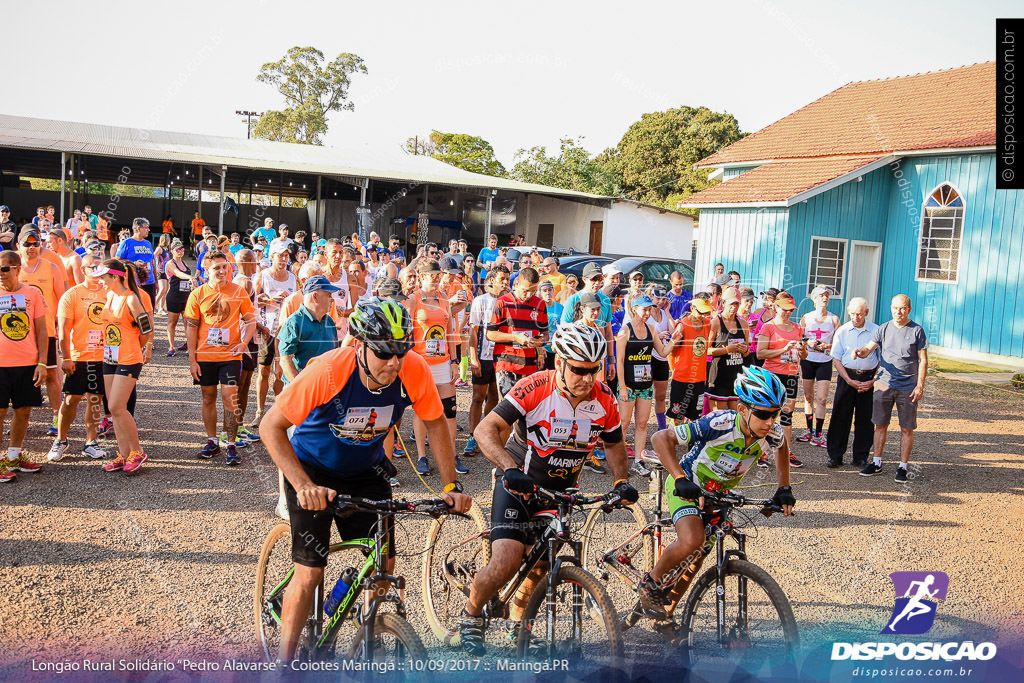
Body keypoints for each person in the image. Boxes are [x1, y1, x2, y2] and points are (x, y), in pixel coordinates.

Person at [259, 297, 472, 662]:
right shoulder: (327, 371)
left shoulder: (413, 368)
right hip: (312, 470)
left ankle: (372, 633)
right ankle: (282, 666)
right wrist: (302, 485)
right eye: (384, 353)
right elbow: (270, 427)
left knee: (383, 567)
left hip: (366, 472)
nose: (393, 362)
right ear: (359, 345)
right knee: (310, 575)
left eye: (401, 352)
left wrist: (450, 486)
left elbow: (436, 422)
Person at [457, 323, 638, 655]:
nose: (588, 379)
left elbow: (614, 445)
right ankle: (470, 616)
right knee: (507, 560)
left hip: (561, 491)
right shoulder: (535, 387)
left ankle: (517, 623)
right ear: (560, 364)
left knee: (542, 562)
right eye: (580, 370)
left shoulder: (604, 398)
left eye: (594, 370)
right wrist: (510, 469)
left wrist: (619, 482)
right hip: (519, 482)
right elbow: (486, 430)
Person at [644, 367, 794, 619]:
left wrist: (784, 488)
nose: (770, 422)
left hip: (719, 496)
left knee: (696, 560)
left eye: (775, 415)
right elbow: (660, 438)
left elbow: (782, 448)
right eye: (763, 414)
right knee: (692, 540)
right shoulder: (718, 423)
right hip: (688, 484)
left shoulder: (770, 432)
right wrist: (680, 478)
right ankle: (650, 584)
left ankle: (666, 615)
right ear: (743, 410)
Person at [184, 252, 258, 465]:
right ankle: (212, 442)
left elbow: (251, 320)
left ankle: (231, 444)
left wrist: (243, 344)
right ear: (207, 270)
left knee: (229, 396)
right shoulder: (198, 294)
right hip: (205, 355)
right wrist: (192, 360)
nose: (223, 270)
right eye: (217, 267)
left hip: (230, 356)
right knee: (208, 397)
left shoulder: (238, 291)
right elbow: (191, 328)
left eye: (225, 266)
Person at [854, 294, 928, 483]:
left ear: (909, 309)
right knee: (880, 425)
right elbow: (868, 349)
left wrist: (920, 385)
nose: (898, 311)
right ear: (891, 308)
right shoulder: (884, 328)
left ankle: (903, 466)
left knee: (906, 428)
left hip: (908, 386)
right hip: (884, 383)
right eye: (895, 308)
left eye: (902, 308)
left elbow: (923, 360)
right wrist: (859, 353)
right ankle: (877, 462)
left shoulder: (917, 331)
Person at [406, 259, 465, 476]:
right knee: (422, 410)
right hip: (421, 362)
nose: (436, 279)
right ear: (421, 277)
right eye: (432, 275)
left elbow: (450, 331)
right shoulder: (413, 300)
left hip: (443, 361)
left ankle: (451, 454)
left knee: (449, 409)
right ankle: (422, 456)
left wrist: (455, 361)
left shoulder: (443, 299)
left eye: (438, 275)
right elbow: (406, 331)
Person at [93, 260, 152, 474]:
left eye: (103, 277)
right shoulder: (109, 296)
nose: (100, 280)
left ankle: (137, 451)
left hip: (128, 358)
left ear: (116, 276)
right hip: (110, 357)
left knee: (118, 406)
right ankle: (124, 453)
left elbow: (147, 329)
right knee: (113, 408)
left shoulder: (132, 299)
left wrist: (136, 348)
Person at [50, 253, 108, 462]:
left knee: (95, 400)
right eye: (93, 267)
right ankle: (61, 439)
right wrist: (66, 357)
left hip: (103, 357)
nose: (97, 271)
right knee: (71, 400)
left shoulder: (110, 293)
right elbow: (64, 330)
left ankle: (90, 442)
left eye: (101, 267)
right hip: (79, 356)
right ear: (83, 270)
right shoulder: (72, 295)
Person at [0, 250, 47, 482]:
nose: (0, 274)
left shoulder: (32, 294)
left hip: (27, 363)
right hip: (0, 364)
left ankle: (13, 456)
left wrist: (42, 363)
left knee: (23, 410)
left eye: (4, 269)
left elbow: (42, 330)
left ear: (17, 268)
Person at [18, 227, 67, 436]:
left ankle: (58, 416)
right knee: (20, 377)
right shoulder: (11, 269)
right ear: (18, 246)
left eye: (35, 244)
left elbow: (63, 300)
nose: (31, 248)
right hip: (17, 334)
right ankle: (21, 419)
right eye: (27, 244)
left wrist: (59, 326)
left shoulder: (51, 267)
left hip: (44, 331)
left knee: (51, 377)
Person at [615, 295, 671, 471]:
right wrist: (622, 386)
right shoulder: (625, 331)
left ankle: (638, 461)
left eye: (649, 310)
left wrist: (675, 340)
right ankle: (620, 460)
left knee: (642, 423)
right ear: (634, 309)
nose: (647, 313)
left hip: (645, 384)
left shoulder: (652, 330)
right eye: (644, 309)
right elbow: (620, 361)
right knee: (624, 423)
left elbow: (662, 353)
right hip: (628, 385)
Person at [825, 298, 879, 469]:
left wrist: (873, 381)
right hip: (847, 377)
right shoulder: (842, 331)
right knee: (840, 417)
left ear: (866, 313)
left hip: (867, 378)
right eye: (853, 313)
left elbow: (881, 359)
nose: (856, 317)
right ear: (849, 312)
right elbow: (837, 358)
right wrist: (848, 380)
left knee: (865, 419)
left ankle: (860, 456)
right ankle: (835, 455)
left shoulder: (876, 331)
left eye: (860, 314)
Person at [756, 292, 805, 468]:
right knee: (768, 413)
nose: (788, 313)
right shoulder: (768, 327)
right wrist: (784, 349)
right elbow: (760, 353)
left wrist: (802, 349)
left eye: (791, 310)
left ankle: (785, 450)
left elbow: (803, 355)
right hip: (772, 374)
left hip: (791, 374)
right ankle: (762, 451)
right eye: (785, 309)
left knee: (787, 413)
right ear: (776, 307)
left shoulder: (798, 328)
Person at [464, 266, 507, 458]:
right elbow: (473, 331)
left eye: (507, 279)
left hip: (501, 356)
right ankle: (473, 436)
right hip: (482, 355)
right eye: (502, 279)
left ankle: (485, 433)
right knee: (477, 397)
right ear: (491, 280)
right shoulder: (480, 301)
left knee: (495, 398)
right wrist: (473, 357)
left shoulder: (508, 300)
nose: (505, 283)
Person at [486, 266, 547, 399]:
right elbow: (490, 334)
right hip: (506, 362)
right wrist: (515, 337)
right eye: (526, 291)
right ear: (517, 284)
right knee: (508, 410)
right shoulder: (502, 302)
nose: (529, 295)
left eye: (534, 291)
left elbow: (545, 334)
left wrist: (539, 342)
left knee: (527, 412)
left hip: (530, 364)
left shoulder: (540, 304)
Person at [252, 243, 297, 426]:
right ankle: (260, 411)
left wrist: (288, 300)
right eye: (280, 256)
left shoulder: (292, 278)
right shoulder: (262, 276)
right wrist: (270, 299)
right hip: (266, 330)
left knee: (281, 372)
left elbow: (298, 299)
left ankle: (279, 412)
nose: (284, 259)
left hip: (286, 332)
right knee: (264, 370)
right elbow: (252, 299)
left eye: (286, 256)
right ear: (272, 257)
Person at [798, 287, 841, 446]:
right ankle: (808, 430)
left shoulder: (834, 319)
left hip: (824, 361)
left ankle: (818, 432)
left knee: (822, 398)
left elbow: (839, 343)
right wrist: (807, 342)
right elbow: (799, 338)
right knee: (808, 397)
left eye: (827, 296)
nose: (825, 298)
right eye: (821, 296)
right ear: (814, 299)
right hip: (808, 360)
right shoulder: (806, 318)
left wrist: (827, 346)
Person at [667, 297, 713, 426]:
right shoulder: (682, 326)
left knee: (695, 418)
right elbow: (671, 352)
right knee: (677, 418)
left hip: (699, 379)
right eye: (700, 312)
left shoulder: (707, 324)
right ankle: (671, 444)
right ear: (692, 308)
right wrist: (673, 370)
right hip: (681, 378)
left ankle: (692, 445)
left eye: (706, 313)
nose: (702, 316)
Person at [705, 288, 751, 411]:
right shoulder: (716, 323)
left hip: (736, 375)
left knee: (735, 417)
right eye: (732, 303)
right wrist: (727, 350)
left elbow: (747, 352)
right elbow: (706, 350)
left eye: (737, 303)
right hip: (719, 375)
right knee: (718, 418)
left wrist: (744, 349)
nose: (734, 307)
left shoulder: (743, 324)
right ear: (724, 303)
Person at [163, 240, 196, 356]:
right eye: (177, 250)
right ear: (172, 251)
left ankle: (189, 344)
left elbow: (188, 276)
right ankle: (171, 347)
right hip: (174, 297)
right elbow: (177, 273)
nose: (180, 252)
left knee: (188, 322)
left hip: (186, 297)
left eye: (182, 249)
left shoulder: (185, 263)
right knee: (172, 323)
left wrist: (196, 279)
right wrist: (190, 277)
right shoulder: (170, 264)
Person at [115, 218, 157, 302]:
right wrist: (133, 263)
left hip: (150, 282)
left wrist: (156, 281)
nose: (148, 230)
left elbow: (153, 263)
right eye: (146, 227)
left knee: (149, 309)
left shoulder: (148, 244)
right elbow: (117, 261)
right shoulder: (127, 243)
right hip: (134, 283)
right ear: (138, 228)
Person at [537, 280, 563, 371]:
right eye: (544, 291)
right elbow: (536, 329)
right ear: (540, 293)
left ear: (553, 291)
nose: (548, 293)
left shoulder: (560, 307)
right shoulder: (538, 307)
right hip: (543, 349)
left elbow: (564, 328)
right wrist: (540, 347)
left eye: (550, 290)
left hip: (556, 349)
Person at [153, 233, 173, 315]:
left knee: (165, 291)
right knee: (162, 290)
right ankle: (153, 306)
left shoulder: (166, 250)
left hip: (166, 271)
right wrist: (156, 267)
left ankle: (161, 308)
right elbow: (152, 257)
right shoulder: (159, 249)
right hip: (161, 271)